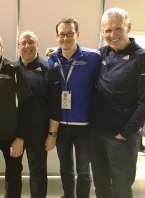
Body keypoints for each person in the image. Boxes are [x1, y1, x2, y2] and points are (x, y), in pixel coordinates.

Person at [89, 7, 145, 198]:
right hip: (97, 134)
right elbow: (79, 57)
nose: (112, 35)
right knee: (101, 186)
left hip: (121, 138)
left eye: (118, 28)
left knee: (121, 189)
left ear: (128, 27)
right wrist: (57, 52)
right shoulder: (103, 53)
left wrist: (125, 133)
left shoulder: (141, 57)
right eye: (108, 30)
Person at [47, 18, 101, 198]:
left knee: (83, 170)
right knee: (65, 168)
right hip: (62, 125)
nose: (66, 38)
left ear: (77, 34)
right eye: (62, 34)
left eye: (70, 33)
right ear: (56, 36)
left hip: (85, 125)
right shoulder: (53, 60)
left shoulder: (93, 57)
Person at [0, 31, 32, 198]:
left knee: (14, 176)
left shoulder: (14, 70)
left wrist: (21, 138)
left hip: (12, 137)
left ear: (2, 48)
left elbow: (26, 106)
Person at [16, 30, 60, 198]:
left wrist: (52, 134)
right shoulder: (12, 69)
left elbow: (55, 105)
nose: (27, 46)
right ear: (18, 46)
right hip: (15, 132)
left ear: (37, 44)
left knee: (38, 172)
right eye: (23, 43)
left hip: (38, 132)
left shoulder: (49, 70)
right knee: (13, 172)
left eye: (31, 42)